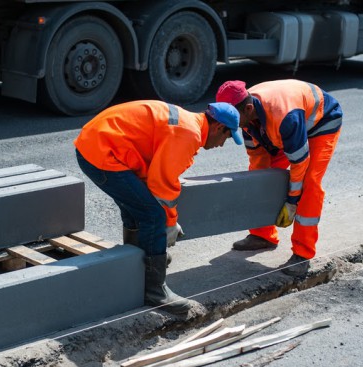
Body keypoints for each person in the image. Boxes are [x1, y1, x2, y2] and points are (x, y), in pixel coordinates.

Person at [74, 100, 243, 314]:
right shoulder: (189, 133)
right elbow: (162, 183)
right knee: (153, 216)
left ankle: (142, 265)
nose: (222, 144)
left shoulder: (188, 123)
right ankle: (155, 291)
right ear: (219, 127)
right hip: (102, 153)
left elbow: (153, 173)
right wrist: (169, 223)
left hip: (96, 144)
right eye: (227, 137)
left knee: (138, 209)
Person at [216, 79, 342, 277]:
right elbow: (258, 159)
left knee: (309, 184)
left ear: (248, 109)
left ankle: (303, 253)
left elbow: (299, 165)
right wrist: (258, 184)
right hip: (280, 129)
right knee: (262, 176)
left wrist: (292, 201)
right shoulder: (245, 116)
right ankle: (262, 234)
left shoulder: (285, 116)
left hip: (320, 122)